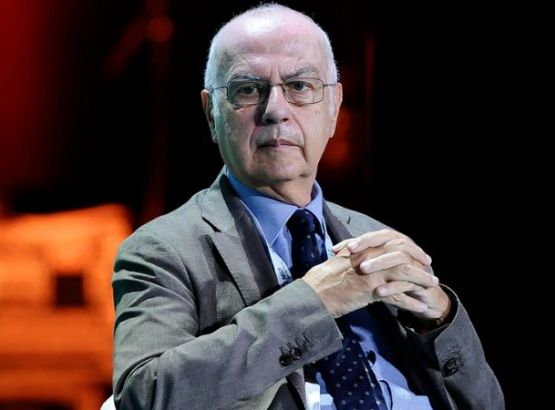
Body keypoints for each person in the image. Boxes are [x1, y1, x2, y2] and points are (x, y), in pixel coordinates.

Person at [111, 4, 503, 410]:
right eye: (248, 89)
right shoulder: (163, 249)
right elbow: (145, 396)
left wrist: (440, 320)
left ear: (334, 107)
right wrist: (316, 302)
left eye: (300, 86)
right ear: (212, 114)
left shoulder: (377, 240)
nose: (275, 110)